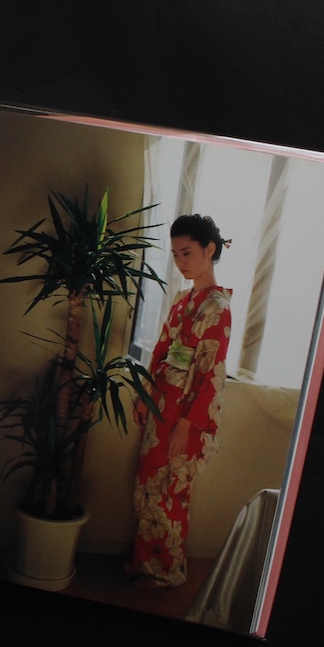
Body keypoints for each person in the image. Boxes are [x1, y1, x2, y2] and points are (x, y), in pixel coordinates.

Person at [126, 214, 232, 589]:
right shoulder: (183, 299)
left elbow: (211, 371)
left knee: (171, 491)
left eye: (187, 252)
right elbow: (163, 348)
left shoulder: (218, 306)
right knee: (149, 485)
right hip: (163, 402)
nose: (180, 261)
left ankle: (165, 572)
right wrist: (146, 395)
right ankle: (144, 564)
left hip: (186, 410)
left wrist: (188, 425)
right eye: (175, 255)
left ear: (209, 249)